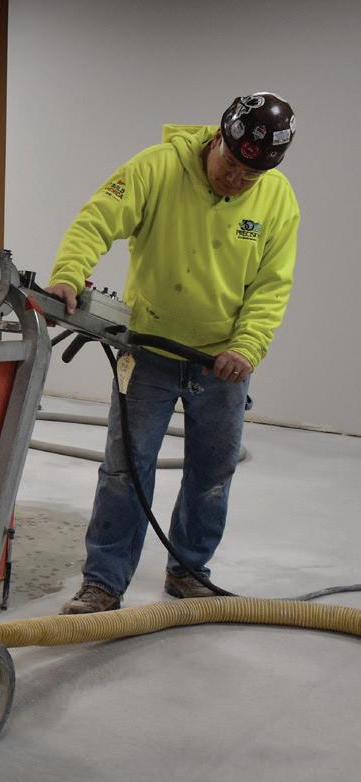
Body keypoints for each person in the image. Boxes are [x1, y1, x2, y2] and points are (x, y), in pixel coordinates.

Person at [51, 93, 300, 615]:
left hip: (222, 364)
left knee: (212, 474)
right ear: (218, 138)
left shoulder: (278, 199)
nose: (237, 180)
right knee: (125, 469)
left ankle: (188, 571)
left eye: (250, 176)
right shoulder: (157, 168)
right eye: (231, 165)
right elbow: (97, 219)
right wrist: (69, 274)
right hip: (149, 353)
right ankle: (103, 583)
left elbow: (271, 286)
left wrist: (248, 346)